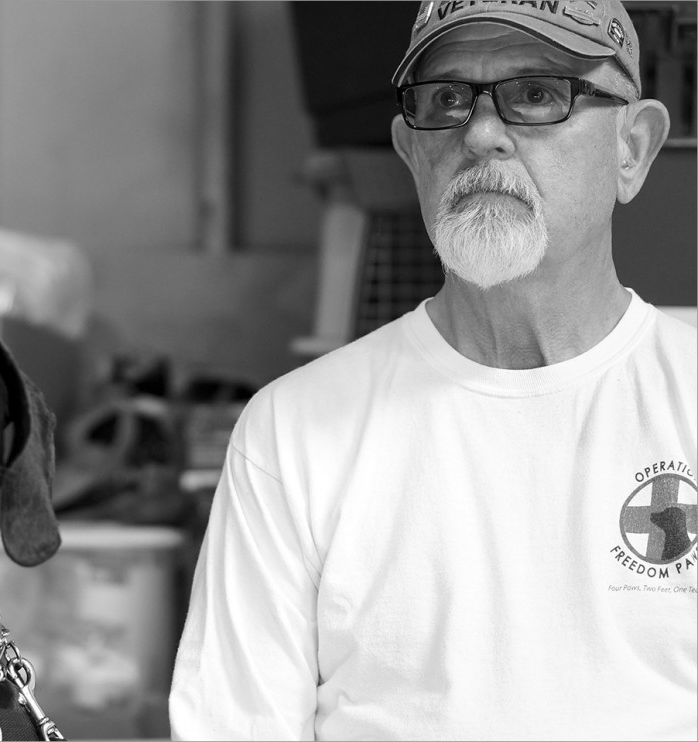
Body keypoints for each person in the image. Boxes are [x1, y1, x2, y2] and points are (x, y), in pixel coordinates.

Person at [169, 2, 697, 739]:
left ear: (632, 149)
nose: (480, 135)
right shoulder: (296, 432)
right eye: (446, 101)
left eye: (538, 94)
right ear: (411, 151)